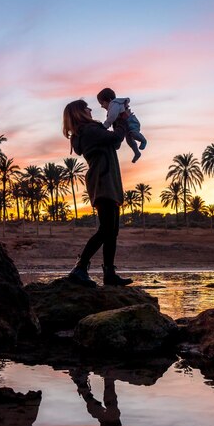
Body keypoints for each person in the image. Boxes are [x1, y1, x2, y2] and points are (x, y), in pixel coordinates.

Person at [62, 99, 133, 287]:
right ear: (80, 112)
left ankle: (109, 273)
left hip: (106, 180)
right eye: (86, 107)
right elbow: (115, 138)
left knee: (112, 231)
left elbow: (113, 143)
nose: (90, 109)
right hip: (103, 181)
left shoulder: (89, 131)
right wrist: (123, 119)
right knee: (107, 229)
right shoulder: (89, 131)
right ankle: (80, 267)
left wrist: (118, 122)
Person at [97, 87, 147, 163]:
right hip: (125, 125)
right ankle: (137, 152)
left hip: (131, 121)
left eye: (102, 103)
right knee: (129, 140)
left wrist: (105, 125)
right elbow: (113, 120)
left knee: (134, 134)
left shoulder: (114, 104)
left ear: (109, 100)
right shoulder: (113, 107)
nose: (102, 106)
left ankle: (143, 140)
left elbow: (112, 117)